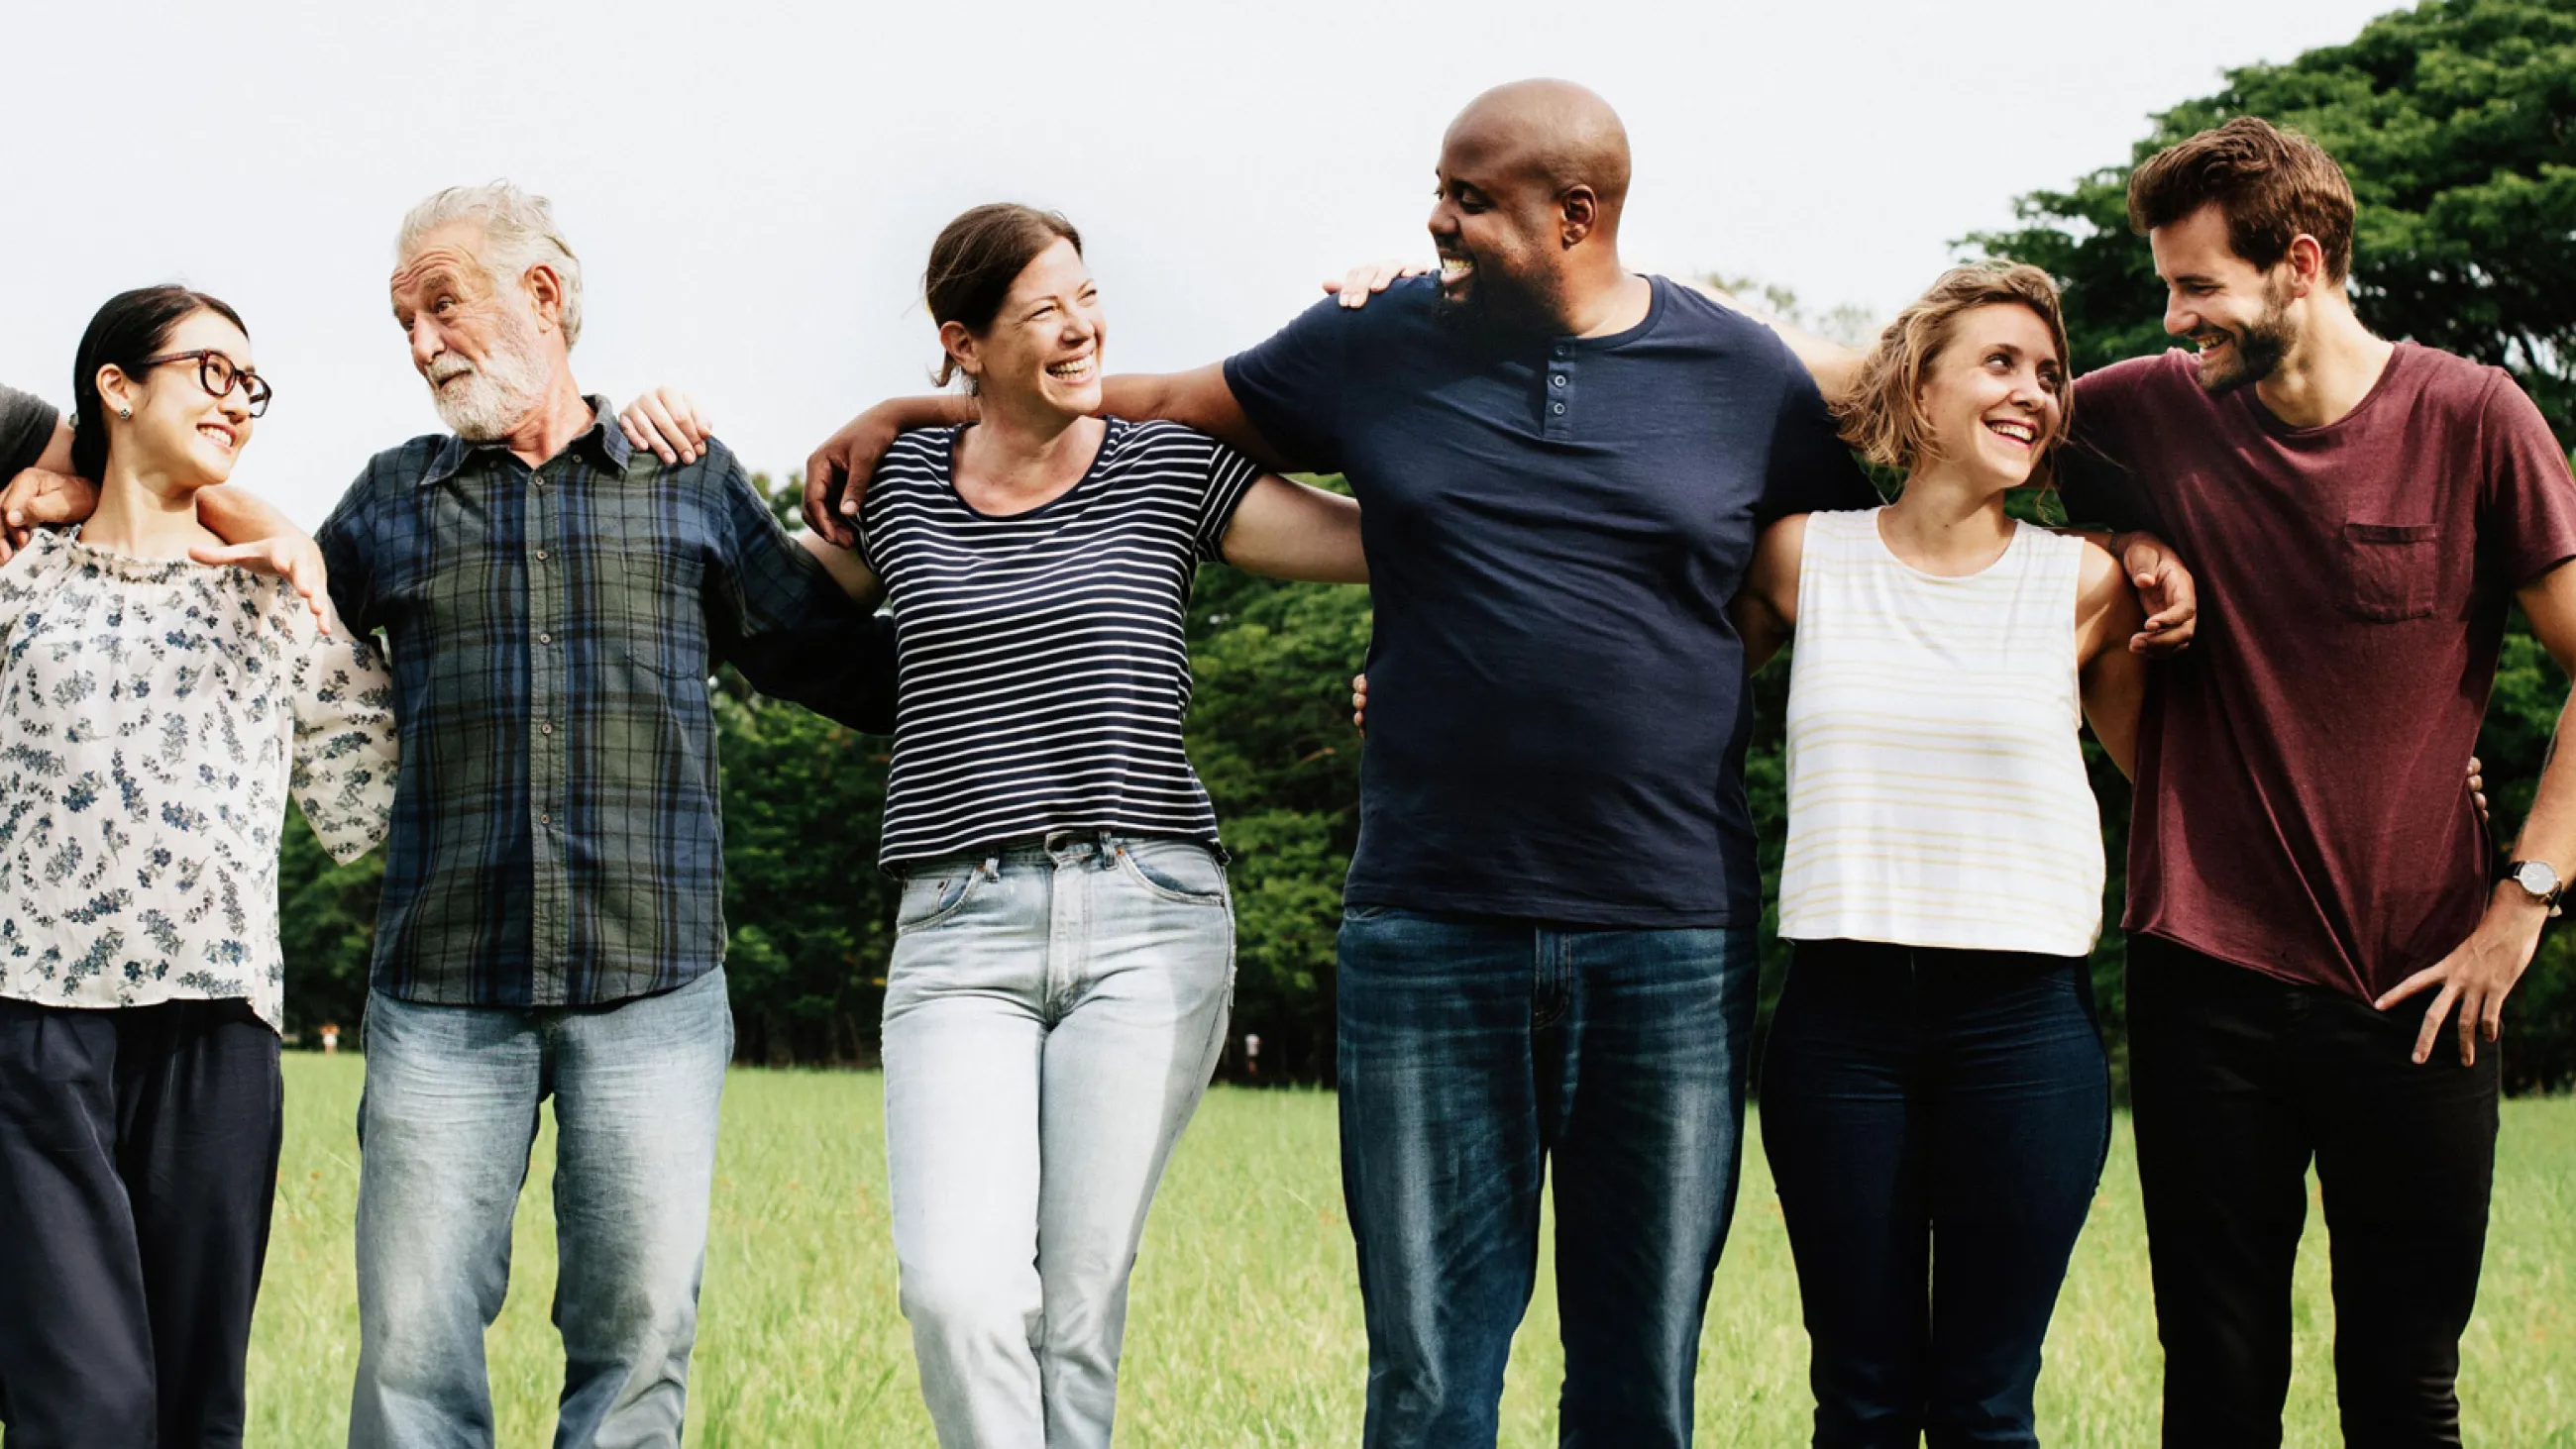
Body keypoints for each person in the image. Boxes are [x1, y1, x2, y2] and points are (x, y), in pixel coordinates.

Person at [798, 81, 2110, 1449]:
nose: (1436, 219)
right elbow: (1167, 400)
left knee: (1638, 1389)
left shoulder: (1739, 372)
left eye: (1470, 199)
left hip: (1667, 932)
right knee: (1426, 1388)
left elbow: (1921, 488)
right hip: (1426, 925)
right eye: (1440, 189)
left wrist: (2132, 544)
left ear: (1576, 215)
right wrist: (923, 406)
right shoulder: (1372, 341)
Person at [1761, 118, 2576, 1448]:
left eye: (2195, 286)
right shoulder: (2145, 410)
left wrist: (2523, 896)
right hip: (2203, 976)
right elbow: (1900, 380)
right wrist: (1606, 297)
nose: (2171, 318)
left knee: (2406, 1388)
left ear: (2298, 264)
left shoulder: (2473, 418)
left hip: (2420, 981)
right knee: (2213, 1386)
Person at [743, 201, 1360, 1448]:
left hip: (1150, 914)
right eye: (1043, 311)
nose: (1081, 327)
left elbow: (1384, 546)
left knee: (1075, 1305)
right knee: (958, 1291)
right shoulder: (899, 483)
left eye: (1085, 296)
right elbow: (762, 602)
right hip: (957, 927)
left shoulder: (1168, 465)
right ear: (962, 342)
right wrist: (673, 463)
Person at [308, 181, 902, 1449]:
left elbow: (835, 659)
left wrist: (1018, 591)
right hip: (441, 985)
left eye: (441, 305)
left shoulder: (686, 480)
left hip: (652, 982)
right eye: (403, 321)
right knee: (412, 1351)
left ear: (541, 294)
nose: (420, 343)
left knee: (635, 1345)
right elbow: (267, 642)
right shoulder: (388, 499)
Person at [1730, 263, 2137, 1445]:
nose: (2034, 392)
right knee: (1856, 1400)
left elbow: (2184, 780)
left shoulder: (2084, 581)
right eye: (1999, 363)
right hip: (1839, 1020)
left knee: (1984, 1406)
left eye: (2048, 373)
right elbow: (1646, 691)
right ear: (1915, 388)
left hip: (2022, 1026)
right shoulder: (1800, 557)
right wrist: (1429, 695)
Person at [0, 285, 396, 1449]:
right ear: (116, 388)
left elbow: (373, 799)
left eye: (251, 385)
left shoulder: (277, 597)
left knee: (194, 1410)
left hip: (219, 1031)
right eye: (209, 370)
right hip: (36, 1027)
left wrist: (307, 574)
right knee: (86, 1409)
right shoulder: (20, 584)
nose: (237, 400)